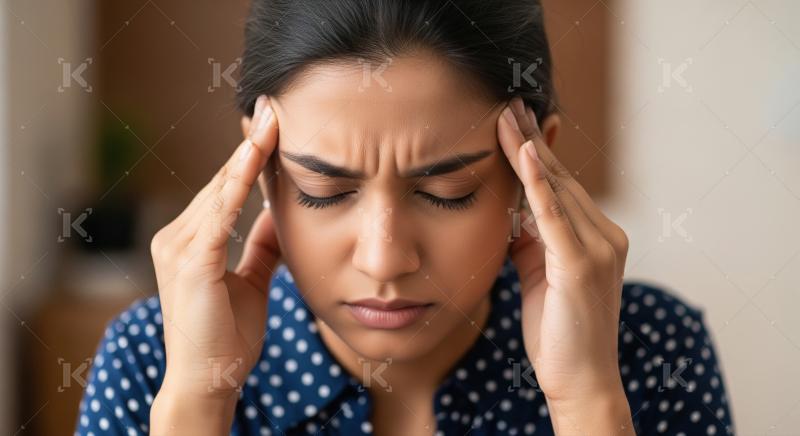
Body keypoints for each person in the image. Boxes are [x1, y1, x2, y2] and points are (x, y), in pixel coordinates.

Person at [75, 0, 734, 434]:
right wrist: (199, 398)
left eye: (448, 191)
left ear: (536, 171)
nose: (384, 259)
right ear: (259, 167)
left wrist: (587, 398)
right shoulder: (155, 358)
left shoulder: (649, 349)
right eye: (323, 190)